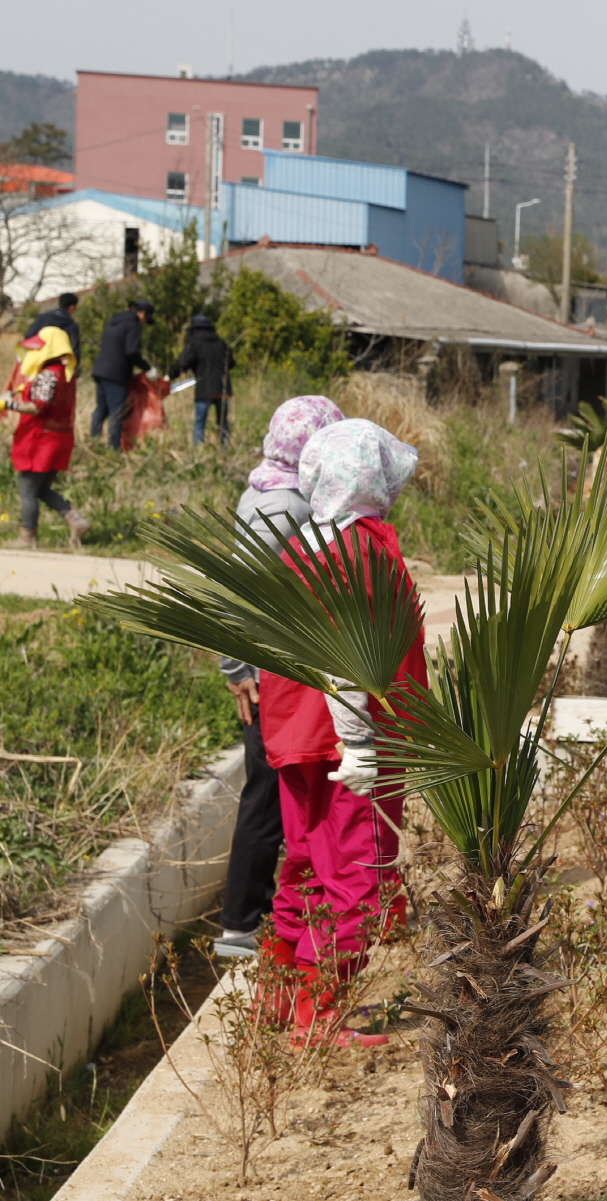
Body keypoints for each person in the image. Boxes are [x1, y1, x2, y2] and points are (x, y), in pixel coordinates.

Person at [258, 418, 426, 1044]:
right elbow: (347, 657)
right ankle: (319, 1012)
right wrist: (359, 744)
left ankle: (278, 996)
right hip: (347, 740)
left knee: (304, 860)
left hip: (299, 732)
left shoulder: (307, 541)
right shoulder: (360, 550)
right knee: (357, 871)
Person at [213, 395, 348, 960]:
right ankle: (241, 924)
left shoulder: (265, 487)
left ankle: (256, 912)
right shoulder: (286, 503)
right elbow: (238, 590)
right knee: (267, 794)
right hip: (269, 677)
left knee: (267, 790)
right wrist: (238, 668)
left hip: (272, 672)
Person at [7, 318, 88, 547]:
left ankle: (27, 536)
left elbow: (38, 406)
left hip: (41, 438)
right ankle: (76, 519)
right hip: (61, 437)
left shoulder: (48, 374)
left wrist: (8, 405)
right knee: (42, 488)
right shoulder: (66, 374)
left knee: (28, 489)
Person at [89, 297, 155, 450]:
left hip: (100, 370)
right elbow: (132, 351)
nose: (144, 322)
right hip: (116, 374)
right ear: (142, 313)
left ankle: (93, 444)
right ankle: (114, 449)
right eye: (146, 318)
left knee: (101, 410)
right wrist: (147, 367)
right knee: (117, 412)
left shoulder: (114, 321)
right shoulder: (133, 325)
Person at [170, 312, 235, 446]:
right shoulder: (221, 343)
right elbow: (232, 362)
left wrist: (170, 376)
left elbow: (183, 363)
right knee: (223, 422)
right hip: (222, 389)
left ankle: (198, 451)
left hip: (204, 389)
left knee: (200, 422)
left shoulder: (194, 343)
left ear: (194, 329)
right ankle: (226, 448)